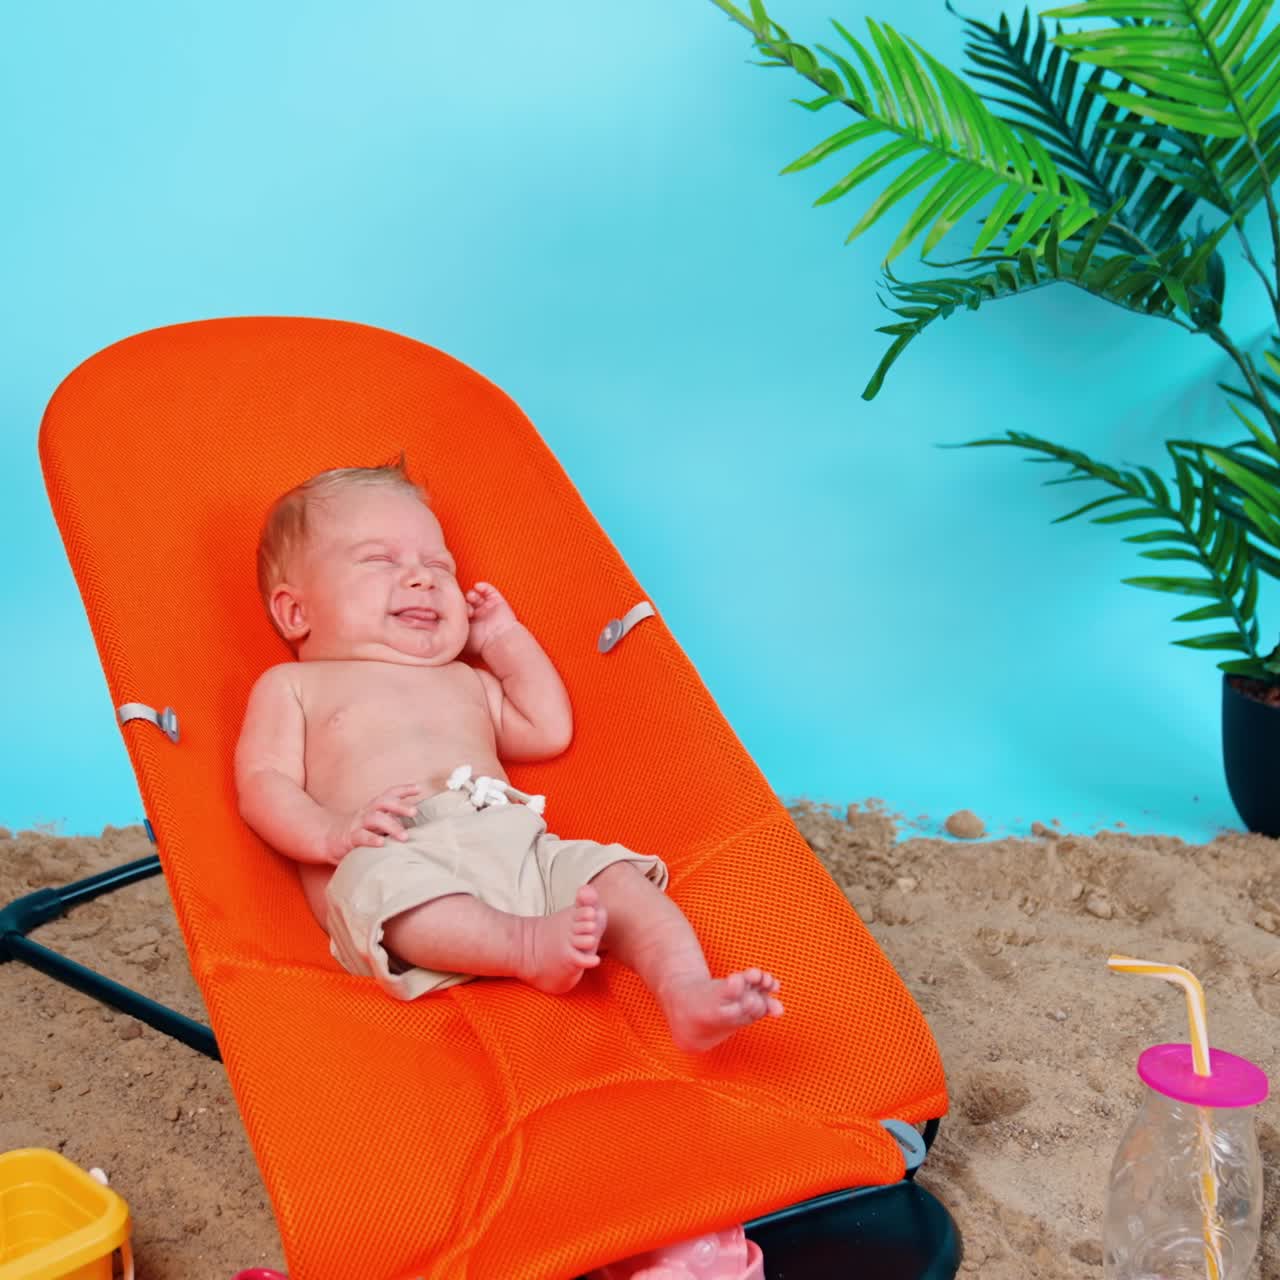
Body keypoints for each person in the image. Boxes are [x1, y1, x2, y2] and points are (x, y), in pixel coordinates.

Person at [234, 460, 783, 1051]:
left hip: (516, 847)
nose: (422, 579)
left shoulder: (465, 680)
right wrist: (331, 835)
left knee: (617, 880)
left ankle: (687, 991)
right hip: (389, 851)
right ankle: (524, 946)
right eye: (380, 561)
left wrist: (502, 640)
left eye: (439, 567)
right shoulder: (294, 687)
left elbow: (547, 729)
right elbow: (263, 783)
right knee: (386, 895)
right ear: (296, 612)